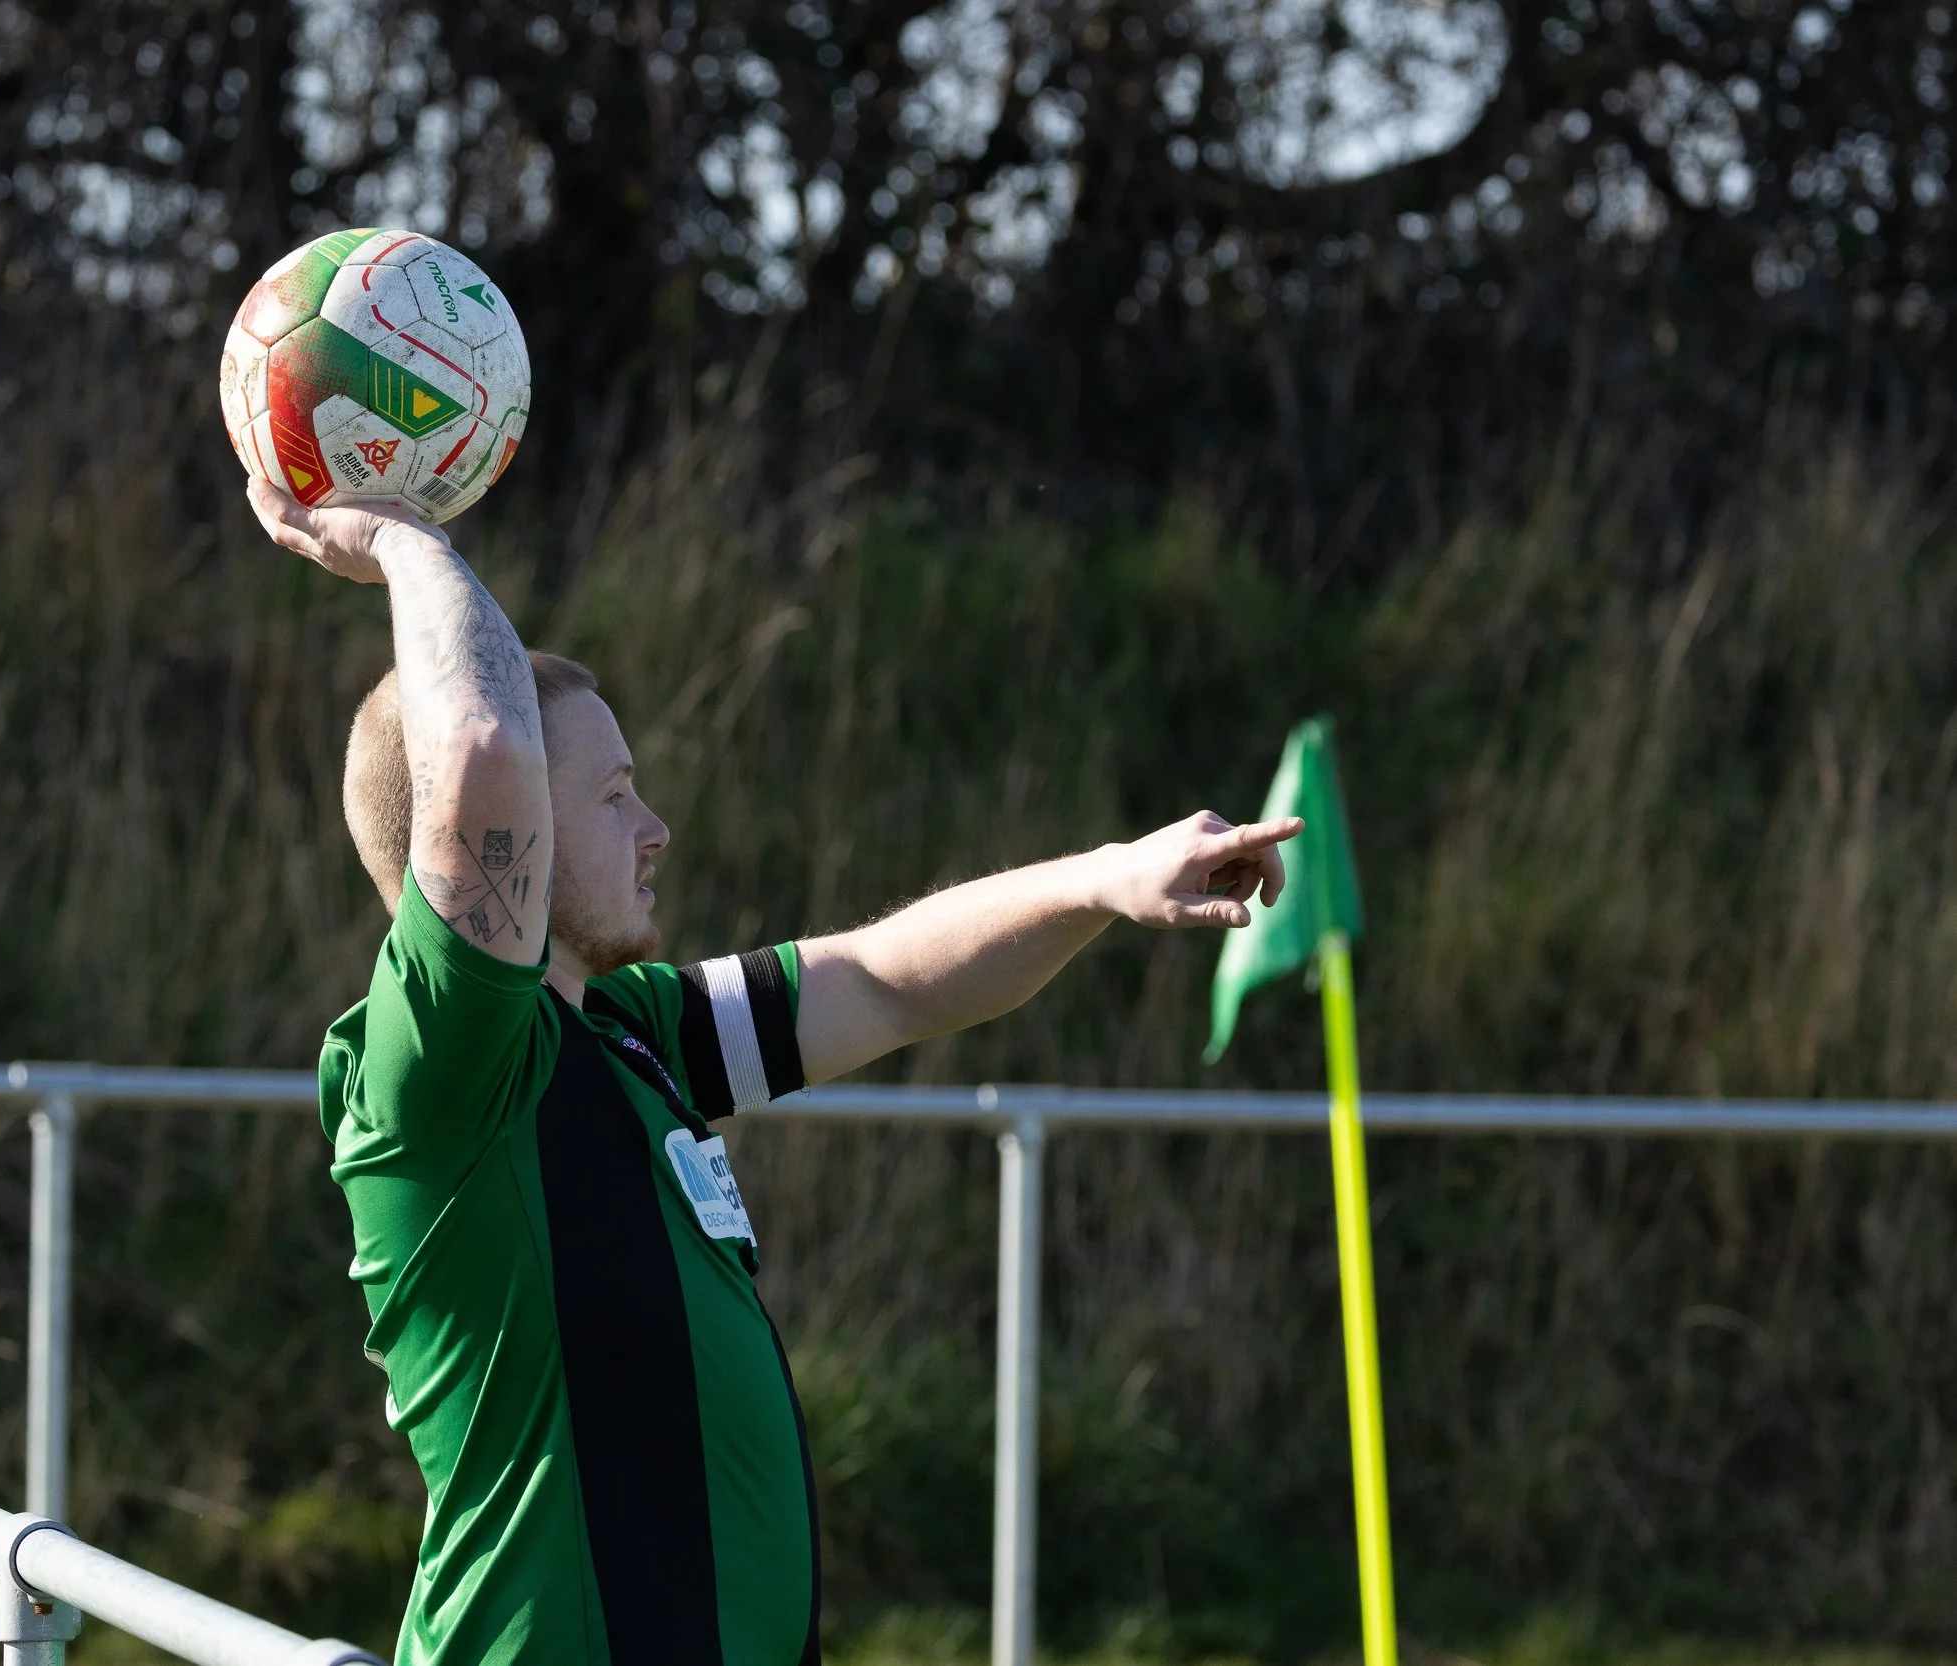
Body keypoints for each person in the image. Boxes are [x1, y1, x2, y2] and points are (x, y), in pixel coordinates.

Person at [244, 478, 1301, 1666]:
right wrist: (405, 543)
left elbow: (890, 979)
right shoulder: (438, 1062)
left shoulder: (630, 1029)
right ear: (513, 835)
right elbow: (483, 747)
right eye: (609, 796)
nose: (654, 828)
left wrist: (1103, 878)